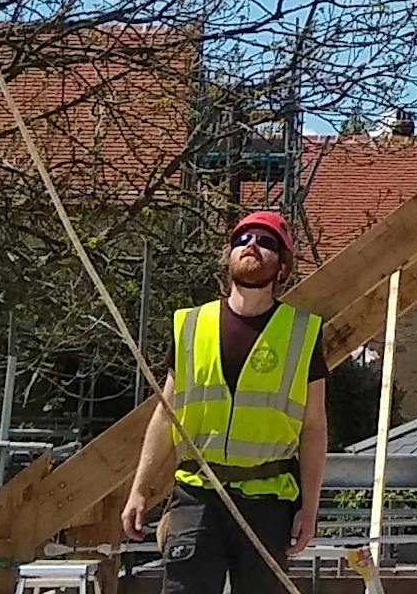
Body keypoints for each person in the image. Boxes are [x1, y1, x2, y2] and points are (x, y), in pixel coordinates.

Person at [121, 209, 336, 594]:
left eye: (266, 242)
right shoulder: (190, 324)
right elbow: (165, 414)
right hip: (197, 495)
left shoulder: (302, 333)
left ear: (281, 267)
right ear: (229, 255)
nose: (251, 245)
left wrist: (310, 507)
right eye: (242, 239)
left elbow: (315, 427)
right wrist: (139, 489)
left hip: (267, 499)